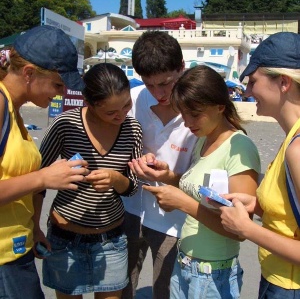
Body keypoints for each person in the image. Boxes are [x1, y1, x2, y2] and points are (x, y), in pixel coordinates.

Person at [132, 65, 261, 299]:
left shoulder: (239, 148)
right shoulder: (204, 139)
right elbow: (201, 192)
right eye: (184, 114)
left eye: (195, 114)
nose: (187, 122)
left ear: (220, 106)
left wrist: (183, 204)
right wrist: (168, 176)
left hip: (213, 274)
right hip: (187, 264)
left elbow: (241, 230)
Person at [33, 62, 143, 299]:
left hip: (111, 241)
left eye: (126, 105)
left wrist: (115, 179)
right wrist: (34, 227)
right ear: (89, 104)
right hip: (65, 241)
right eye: (111, 112)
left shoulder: (133, 129)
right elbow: (37, 181)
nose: (121, 115)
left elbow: (133, 188)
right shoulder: (66, 124)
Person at [0, 25, 89, 299]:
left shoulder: (12, 108)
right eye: (57, 84)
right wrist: (44, 178)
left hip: (16, 249)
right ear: (28, 73)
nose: (61, 94)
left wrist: (33, 228)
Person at [217, 32, 300, 298]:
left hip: (289, 287)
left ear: (284, 82)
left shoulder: (297, 148)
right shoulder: (291, 139)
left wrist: (246, 229)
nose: (248, 91)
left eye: (253, 81)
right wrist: (255, 206)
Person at [121, 31, 198, 299]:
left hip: (174, 221)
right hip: (130, 209)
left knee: (167, 291)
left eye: (166, 83)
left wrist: (171, 176)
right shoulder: (132, 98)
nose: (159, 93)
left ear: (182, 68)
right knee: (120, 287)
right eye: (150, 85)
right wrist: (133, 161)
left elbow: (205, 173)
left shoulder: (198, 109)